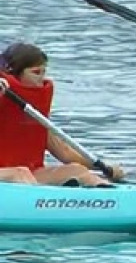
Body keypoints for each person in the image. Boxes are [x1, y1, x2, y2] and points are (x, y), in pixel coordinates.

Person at [0, 42, 122, 186]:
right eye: (36, 73)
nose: (41, 79)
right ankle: (38, 205)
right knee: (19, 174)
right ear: (13, 73)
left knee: (76, 170)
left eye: (43, 72)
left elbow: (64, 152)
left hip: (27, 175)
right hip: (12, 174)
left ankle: (112, 199)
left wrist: (103, 167)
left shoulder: (34, 110)